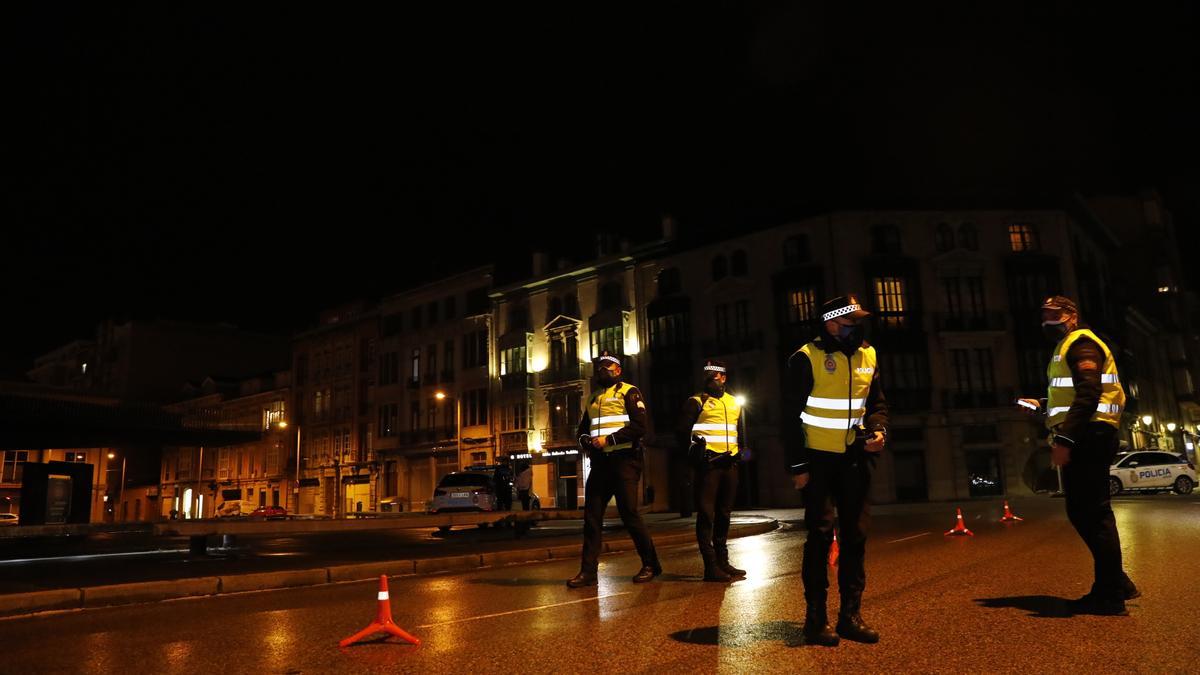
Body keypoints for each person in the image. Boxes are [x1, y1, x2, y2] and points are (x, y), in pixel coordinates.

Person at [1017, 295, 1137, 615]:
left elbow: (1088, 391)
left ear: (1071, 316)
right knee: (1085, 511)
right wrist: (1043, 404)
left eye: (1054, 315)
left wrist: (1066, 438)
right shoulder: (1068, 345)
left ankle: (1111, 594)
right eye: (1043, 315)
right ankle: (1116, 583)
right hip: (1089, 432)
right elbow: (1073, 392)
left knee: (1092, 513)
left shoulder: (1082, 343)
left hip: (1090, 434)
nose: (1047, 321)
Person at [784, 293, 888, 646]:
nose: (855, 328)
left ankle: (850, 617)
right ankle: (815, 620)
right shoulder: (805, 358)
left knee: (856, 536)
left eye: (858, 322)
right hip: (817, 460)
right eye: (849, 323)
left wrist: (878, 429)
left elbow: (876, 403)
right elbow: (789, 417)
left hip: (855, 459)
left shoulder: (868, 355)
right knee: (820, 535)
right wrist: (798, 465)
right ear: (830, 323)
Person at [566, 350, 662, 588]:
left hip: (625, 460)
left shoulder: (630, 392)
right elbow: (581, 432)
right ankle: (588, 572)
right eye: (600, 367)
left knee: (629, 513)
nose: (603, 371)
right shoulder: (593, 398)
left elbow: (640, 427)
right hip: (600, 463)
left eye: (608, 367)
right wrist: (586, 441)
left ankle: (650, 564)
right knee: (591, 518)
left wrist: (609, 440)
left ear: (618, 370)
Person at [678, 358, 747, 582]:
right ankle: (710, 566)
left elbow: (741, 431)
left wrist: (741, 453)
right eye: (707, 378)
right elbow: (681, 434)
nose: (711, 381)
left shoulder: (735, 402)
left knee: (725, 514)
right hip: (708, 465)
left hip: (730, 464)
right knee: (706, 515)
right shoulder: (696, 402)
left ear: (723, 378)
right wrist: (694, 453)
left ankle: (723, 561)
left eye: (715, 377)